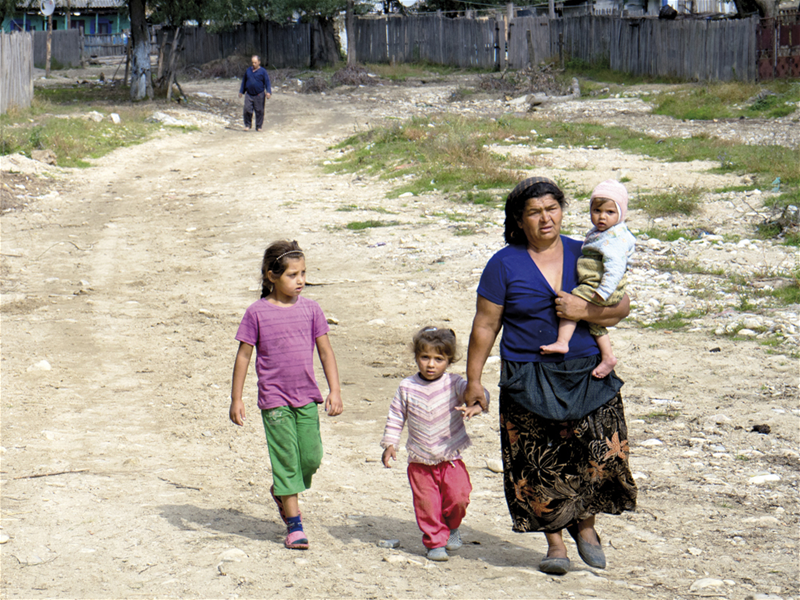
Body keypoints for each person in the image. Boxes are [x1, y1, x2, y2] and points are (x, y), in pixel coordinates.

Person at [464, 177, 637, 575]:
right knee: (538, 461)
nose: (545, 218)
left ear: (562, 211)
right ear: (518, 220)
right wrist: (474, 380)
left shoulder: (587, 249)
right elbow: (486, 325)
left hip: (586, 371)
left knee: (597, 452)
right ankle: (555, 542)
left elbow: (621, 305)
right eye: (534, 212)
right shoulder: (503, 264)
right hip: (528, 373)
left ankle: (586, 526)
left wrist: (583, 311)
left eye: (552, 209)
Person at [229, 240, 343, 550]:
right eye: (293, 275)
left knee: (311, 457)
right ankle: (294, 525)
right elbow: (244, 356)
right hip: (274, 400)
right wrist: (236, 398)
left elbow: (325, 351)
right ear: (272, 276)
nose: (301, 280)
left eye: (303, 273)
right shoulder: (256, 313)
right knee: (286, 461)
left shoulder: (312, 309)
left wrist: (334, 390)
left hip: (306, 397)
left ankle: (282, 490)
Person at [380, 327, 489, 562]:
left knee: (459, 498)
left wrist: (476, 406)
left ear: (449, 360)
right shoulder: (407, 387)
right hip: (420, 461)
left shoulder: (454, 383)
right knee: (427, 505)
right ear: (416, 357)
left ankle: (452, 527)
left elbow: (478, 393)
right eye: (425, 357)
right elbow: (396, 416)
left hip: (450, 458)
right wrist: (390, 443)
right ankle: (435, 542)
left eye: (439, 359)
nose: (431, 364)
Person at [540, 179, 636, 379]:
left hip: (602, 287)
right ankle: (608, 356)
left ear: (621, 214)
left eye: (610, 212)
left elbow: (616, 267)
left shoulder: (615, 239)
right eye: (597, 210)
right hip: (601, 285)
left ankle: (562, 342)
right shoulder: (603, 233)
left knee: (571, 303)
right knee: (595, 323)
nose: (602, 217)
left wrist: (604, 291)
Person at [238, 55, 271, 132]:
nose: (253, 64)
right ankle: (247, 125)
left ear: (259, 62)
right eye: (252, 62)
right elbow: (244, 81)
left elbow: (267, 82)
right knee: (247, 109)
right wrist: (241, 91)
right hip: (249, 94)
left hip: (259, 94)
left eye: (255, 62)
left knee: (259, 111)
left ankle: (259, 126)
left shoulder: (263, 71)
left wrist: (268, 92)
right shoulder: (248, 70)